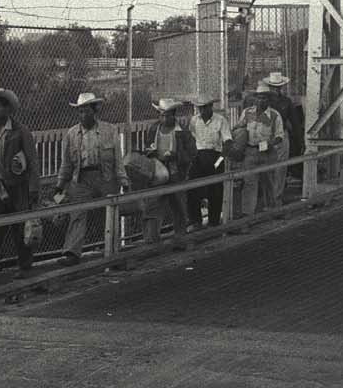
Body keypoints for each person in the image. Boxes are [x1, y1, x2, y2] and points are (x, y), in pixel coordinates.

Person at [52, 92, 129, 266]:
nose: (83, 115)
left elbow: (118, 158)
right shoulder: (71, 134)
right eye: (80, 112)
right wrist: (60, 184)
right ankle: (72, 252)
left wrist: (123, 181)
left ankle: (113, 250)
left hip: (105, 176)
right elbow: (66, 164)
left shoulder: (110, 130)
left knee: (109, 213)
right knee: (77, 213)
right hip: (81, 178)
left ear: (95, 111)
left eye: (86, 111)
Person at [0, 88, 41, 279]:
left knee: (20, 228)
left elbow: (32, 161)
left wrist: (33, 188)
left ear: (8, 109)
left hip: (17, 187)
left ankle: (25, 266)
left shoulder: (20, 132)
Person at [142, 98, 195, 248]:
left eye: (168, 115)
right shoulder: (153, 129)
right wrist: (150, 153)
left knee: (178, 206)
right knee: (153, 205)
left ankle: (180, 238)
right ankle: (151, 241)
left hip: (176, 173)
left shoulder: (182, 132)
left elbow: (192, 153)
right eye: (162, 115)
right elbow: (147, 147)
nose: (165, 118)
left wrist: (177, 156)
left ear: (174, 115)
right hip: (157, 172)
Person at [185, 93, 232, 227]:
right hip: (198, 157)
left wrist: (219, 161)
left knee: (215, 190)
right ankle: (195, 220)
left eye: (205, 107)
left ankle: (214, 221)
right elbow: (190, 140)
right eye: (200, 108)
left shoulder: (220, 120)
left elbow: (228, 142)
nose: (202, 110)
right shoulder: (194, 120)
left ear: (211, 106)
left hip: (215, 156)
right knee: (192, 188)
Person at [242, 82, 289, 213]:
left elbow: (280, 135)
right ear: (255, 98)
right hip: (250, 151)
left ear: (269, 99)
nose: (261, 100)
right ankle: (247, 215)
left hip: (267, 153)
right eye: (259, 97)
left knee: (269, 182)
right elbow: (240, 128)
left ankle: (272, 210)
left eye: (264, 97)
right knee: (249, 183)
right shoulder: (247, 113)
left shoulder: (274, 115)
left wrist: (271, 143)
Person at [262, 71, 306, 180]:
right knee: (266, 167)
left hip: (278, 136)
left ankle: (276, 196)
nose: (276, 89)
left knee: (279, 168)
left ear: (281, 87)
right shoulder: (264, 101)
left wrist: (301, 140)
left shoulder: (286, 101)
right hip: (266, 136)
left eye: (277, 87)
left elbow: (295, 123)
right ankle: (271, 195)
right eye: (274, 87)